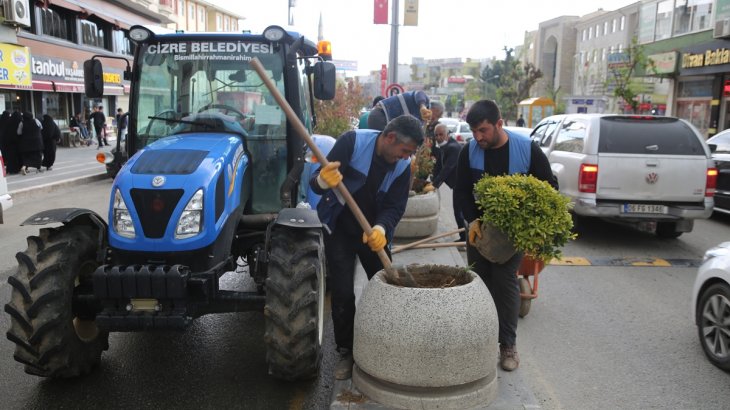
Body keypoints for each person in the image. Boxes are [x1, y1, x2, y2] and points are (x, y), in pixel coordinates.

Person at [309, 115, 425, 380]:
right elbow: (315, 181)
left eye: (410, 153)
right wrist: (323, 181)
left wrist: (382, 228)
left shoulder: (401, 168)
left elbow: (395, 206)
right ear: (390, 137)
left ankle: (386, 344)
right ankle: (346, 351)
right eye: (405, 151)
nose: (406, 157)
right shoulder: (352, 143)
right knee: (342, 293)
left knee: (386, 287)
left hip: (373, 233)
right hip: (339, 229)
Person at [453, 100, 557, 372]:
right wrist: (471, 220)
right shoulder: (470, 151)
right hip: (479, 230)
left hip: (511, 235)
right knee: (477, 282)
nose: (478, 137)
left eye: (483, 130)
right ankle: (479, 342)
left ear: (499, 123)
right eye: (473, 131)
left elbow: (549, 188)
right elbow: (461, 190)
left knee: (504, 283)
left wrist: (532, 224)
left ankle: (507, 345)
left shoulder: (527, 150)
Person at [431, 123, 467, 242]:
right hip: (457, 185)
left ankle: (464, 238)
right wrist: (431, 182)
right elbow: (438, 166)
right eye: (436, 135)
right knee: (459, 211)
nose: (439, 137)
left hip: (462, 185)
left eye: (441, 134)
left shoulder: (453, 148)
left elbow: (447, 168)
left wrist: (434, 184)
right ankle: (464, 237)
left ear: (447, 134)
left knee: (459, 212)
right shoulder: (443, 147)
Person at [367, 90, 431, 131]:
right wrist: (423, 106)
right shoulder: (424, 101)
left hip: (381, 118)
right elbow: (420, 93)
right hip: (380, 115)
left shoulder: (421, 121)